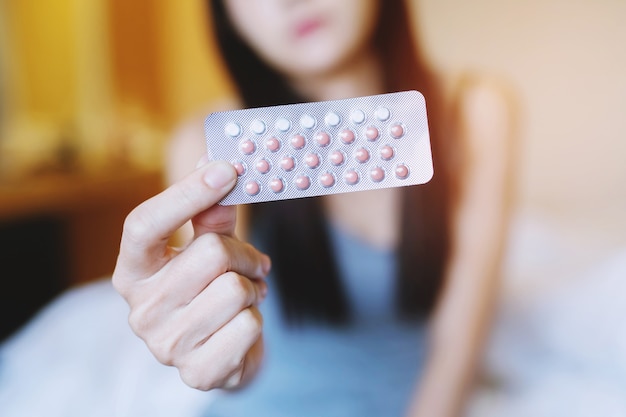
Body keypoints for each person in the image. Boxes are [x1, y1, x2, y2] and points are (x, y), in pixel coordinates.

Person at [112, 0, 516, 416]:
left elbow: (457, 346)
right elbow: (242, 358)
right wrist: (222, 359)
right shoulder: (208, 146)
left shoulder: (474, 113)